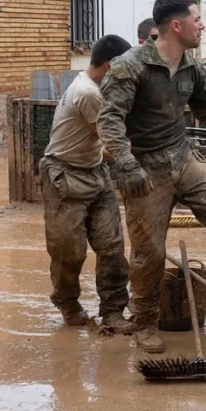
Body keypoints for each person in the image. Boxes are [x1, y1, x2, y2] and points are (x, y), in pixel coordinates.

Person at [98, 0, 206, 353]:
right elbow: (109, 121)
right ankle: (145, 323)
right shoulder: (130, 66)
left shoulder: (192, 67)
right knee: (149, 253)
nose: (202, 26)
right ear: (176, 25)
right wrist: (126, 164)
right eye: (197, 19)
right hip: (143, 167)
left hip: (183, 158)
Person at [41, 34, 133, 333]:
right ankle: (68, 304)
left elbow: (104, 146)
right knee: (69, 250)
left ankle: (113, 311)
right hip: (65, 176)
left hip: (95, 172)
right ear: (109, 66)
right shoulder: (88, 93)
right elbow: (112, 143)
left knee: (112, 247)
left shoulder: (91, 85)